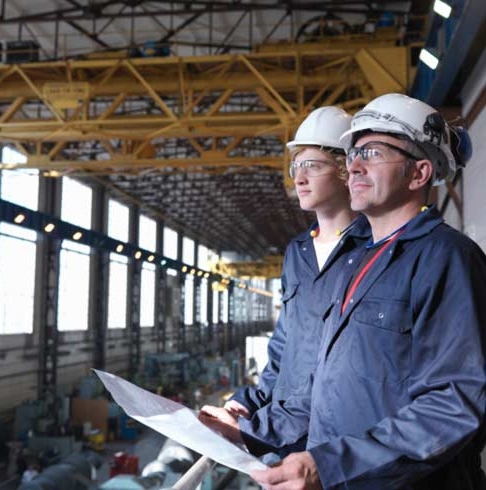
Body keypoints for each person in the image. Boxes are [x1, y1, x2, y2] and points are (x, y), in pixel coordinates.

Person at [251, 93, 486, 489]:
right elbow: (324, 385)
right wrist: (248, 430)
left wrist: (330, 464)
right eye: (354, 152)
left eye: (373, 152)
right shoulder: (355, 263)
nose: (354, 165)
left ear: (419, 173)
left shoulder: (445, 258)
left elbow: (454, 402)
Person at [199, 107, 370, 457]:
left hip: (338, 442)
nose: (299, 178)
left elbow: (349, 367)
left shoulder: (374, 250)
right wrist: (250, 403)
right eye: (296, 167)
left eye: (313, 166)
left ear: (344, 170)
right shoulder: (298, 252)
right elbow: (283, 348)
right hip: (283, 434)